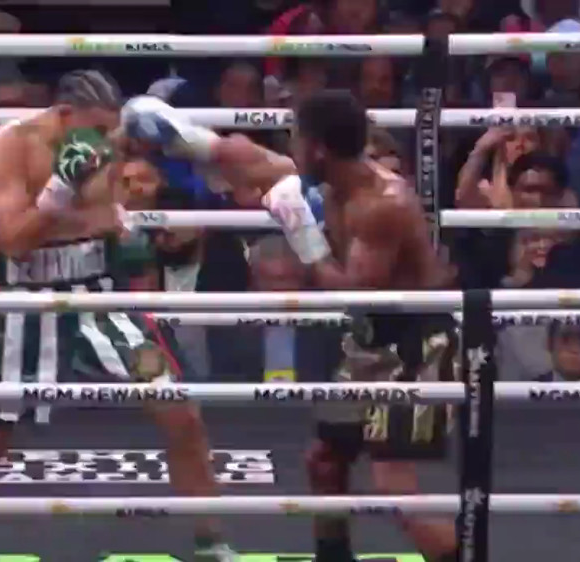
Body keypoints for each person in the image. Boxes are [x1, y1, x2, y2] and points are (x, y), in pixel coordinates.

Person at [121, 91, 460, 562]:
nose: (291, 146)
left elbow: (354, 293)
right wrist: (182, 136)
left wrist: (302, 231)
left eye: (297, 138)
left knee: (392, 487)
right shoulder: (331, 180)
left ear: (317, 147)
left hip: (415, 345)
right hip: (369, 342)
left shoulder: (382, 204)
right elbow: (248, 158)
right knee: (325, 460)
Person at [0, 70, 237, 562]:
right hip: (25, 300)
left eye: (111, 129)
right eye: (96, 128)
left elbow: (109, 221)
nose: (107, 141)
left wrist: (111, 221)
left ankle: (212, 542)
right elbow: (13, 240)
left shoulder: (104, 141)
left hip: (99, 298)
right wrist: (61, 189)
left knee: (179, 410)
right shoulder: (9, 145)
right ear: (64, 114)